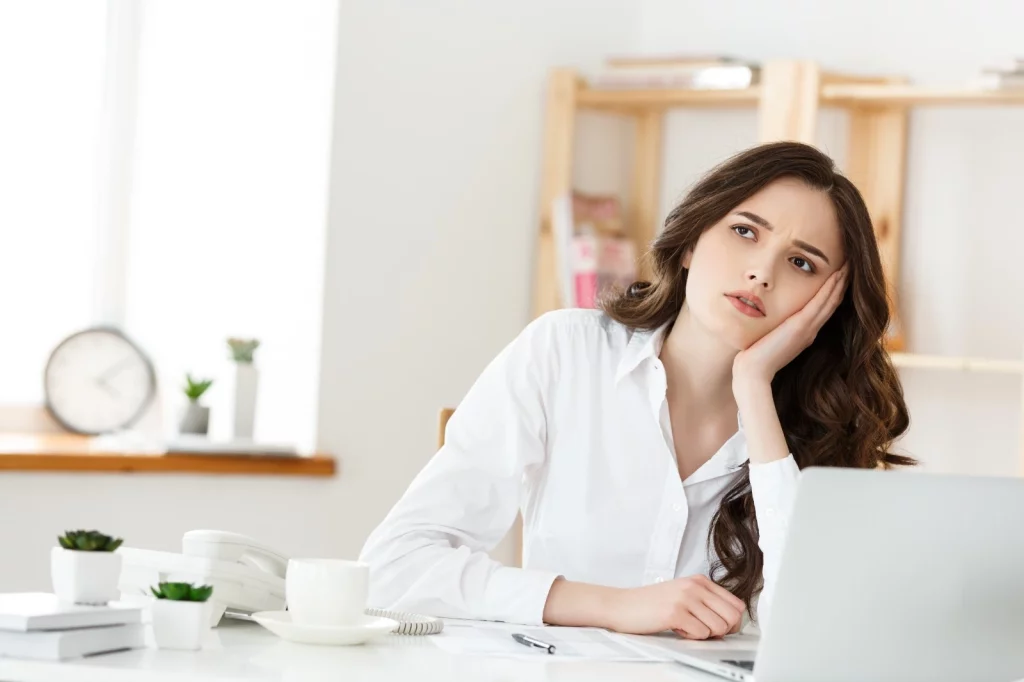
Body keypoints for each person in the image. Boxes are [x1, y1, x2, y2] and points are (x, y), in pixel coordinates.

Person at [359, 141, 913, 640]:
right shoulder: (564, 353)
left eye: (801, 262)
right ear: (694, 240)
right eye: (745, 231)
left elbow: (813, 629)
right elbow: (392, 568)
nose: (761, 274)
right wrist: (611, 606)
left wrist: (756, 391)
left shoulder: (829, 425)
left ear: (826, 303)